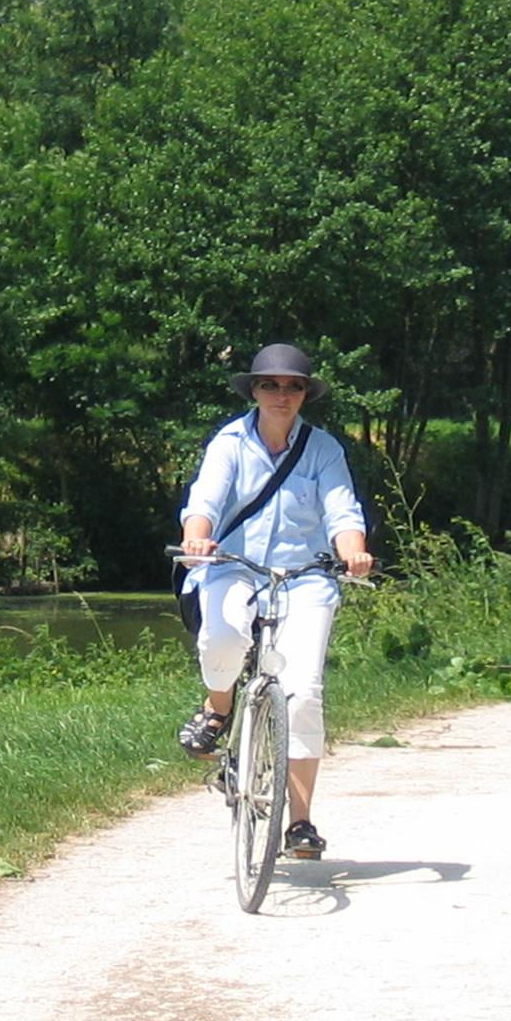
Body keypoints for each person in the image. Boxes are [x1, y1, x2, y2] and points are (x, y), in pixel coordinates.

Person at [174, 342, 375, 861]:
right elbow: (205, 502)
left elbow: (342, 511)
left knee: (303, 691)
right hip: (232, 568)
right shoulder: (230, 442)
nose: (281, 394)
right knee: (222, 638)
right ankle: (218, 709)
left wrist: (353, 552)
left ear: (305, 394)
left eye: (293, 386)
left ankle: (301, 822)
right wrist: (198, 539)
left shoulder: (324, 448)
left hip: (306, 577)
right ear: (254, 390)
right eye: (270, 384)